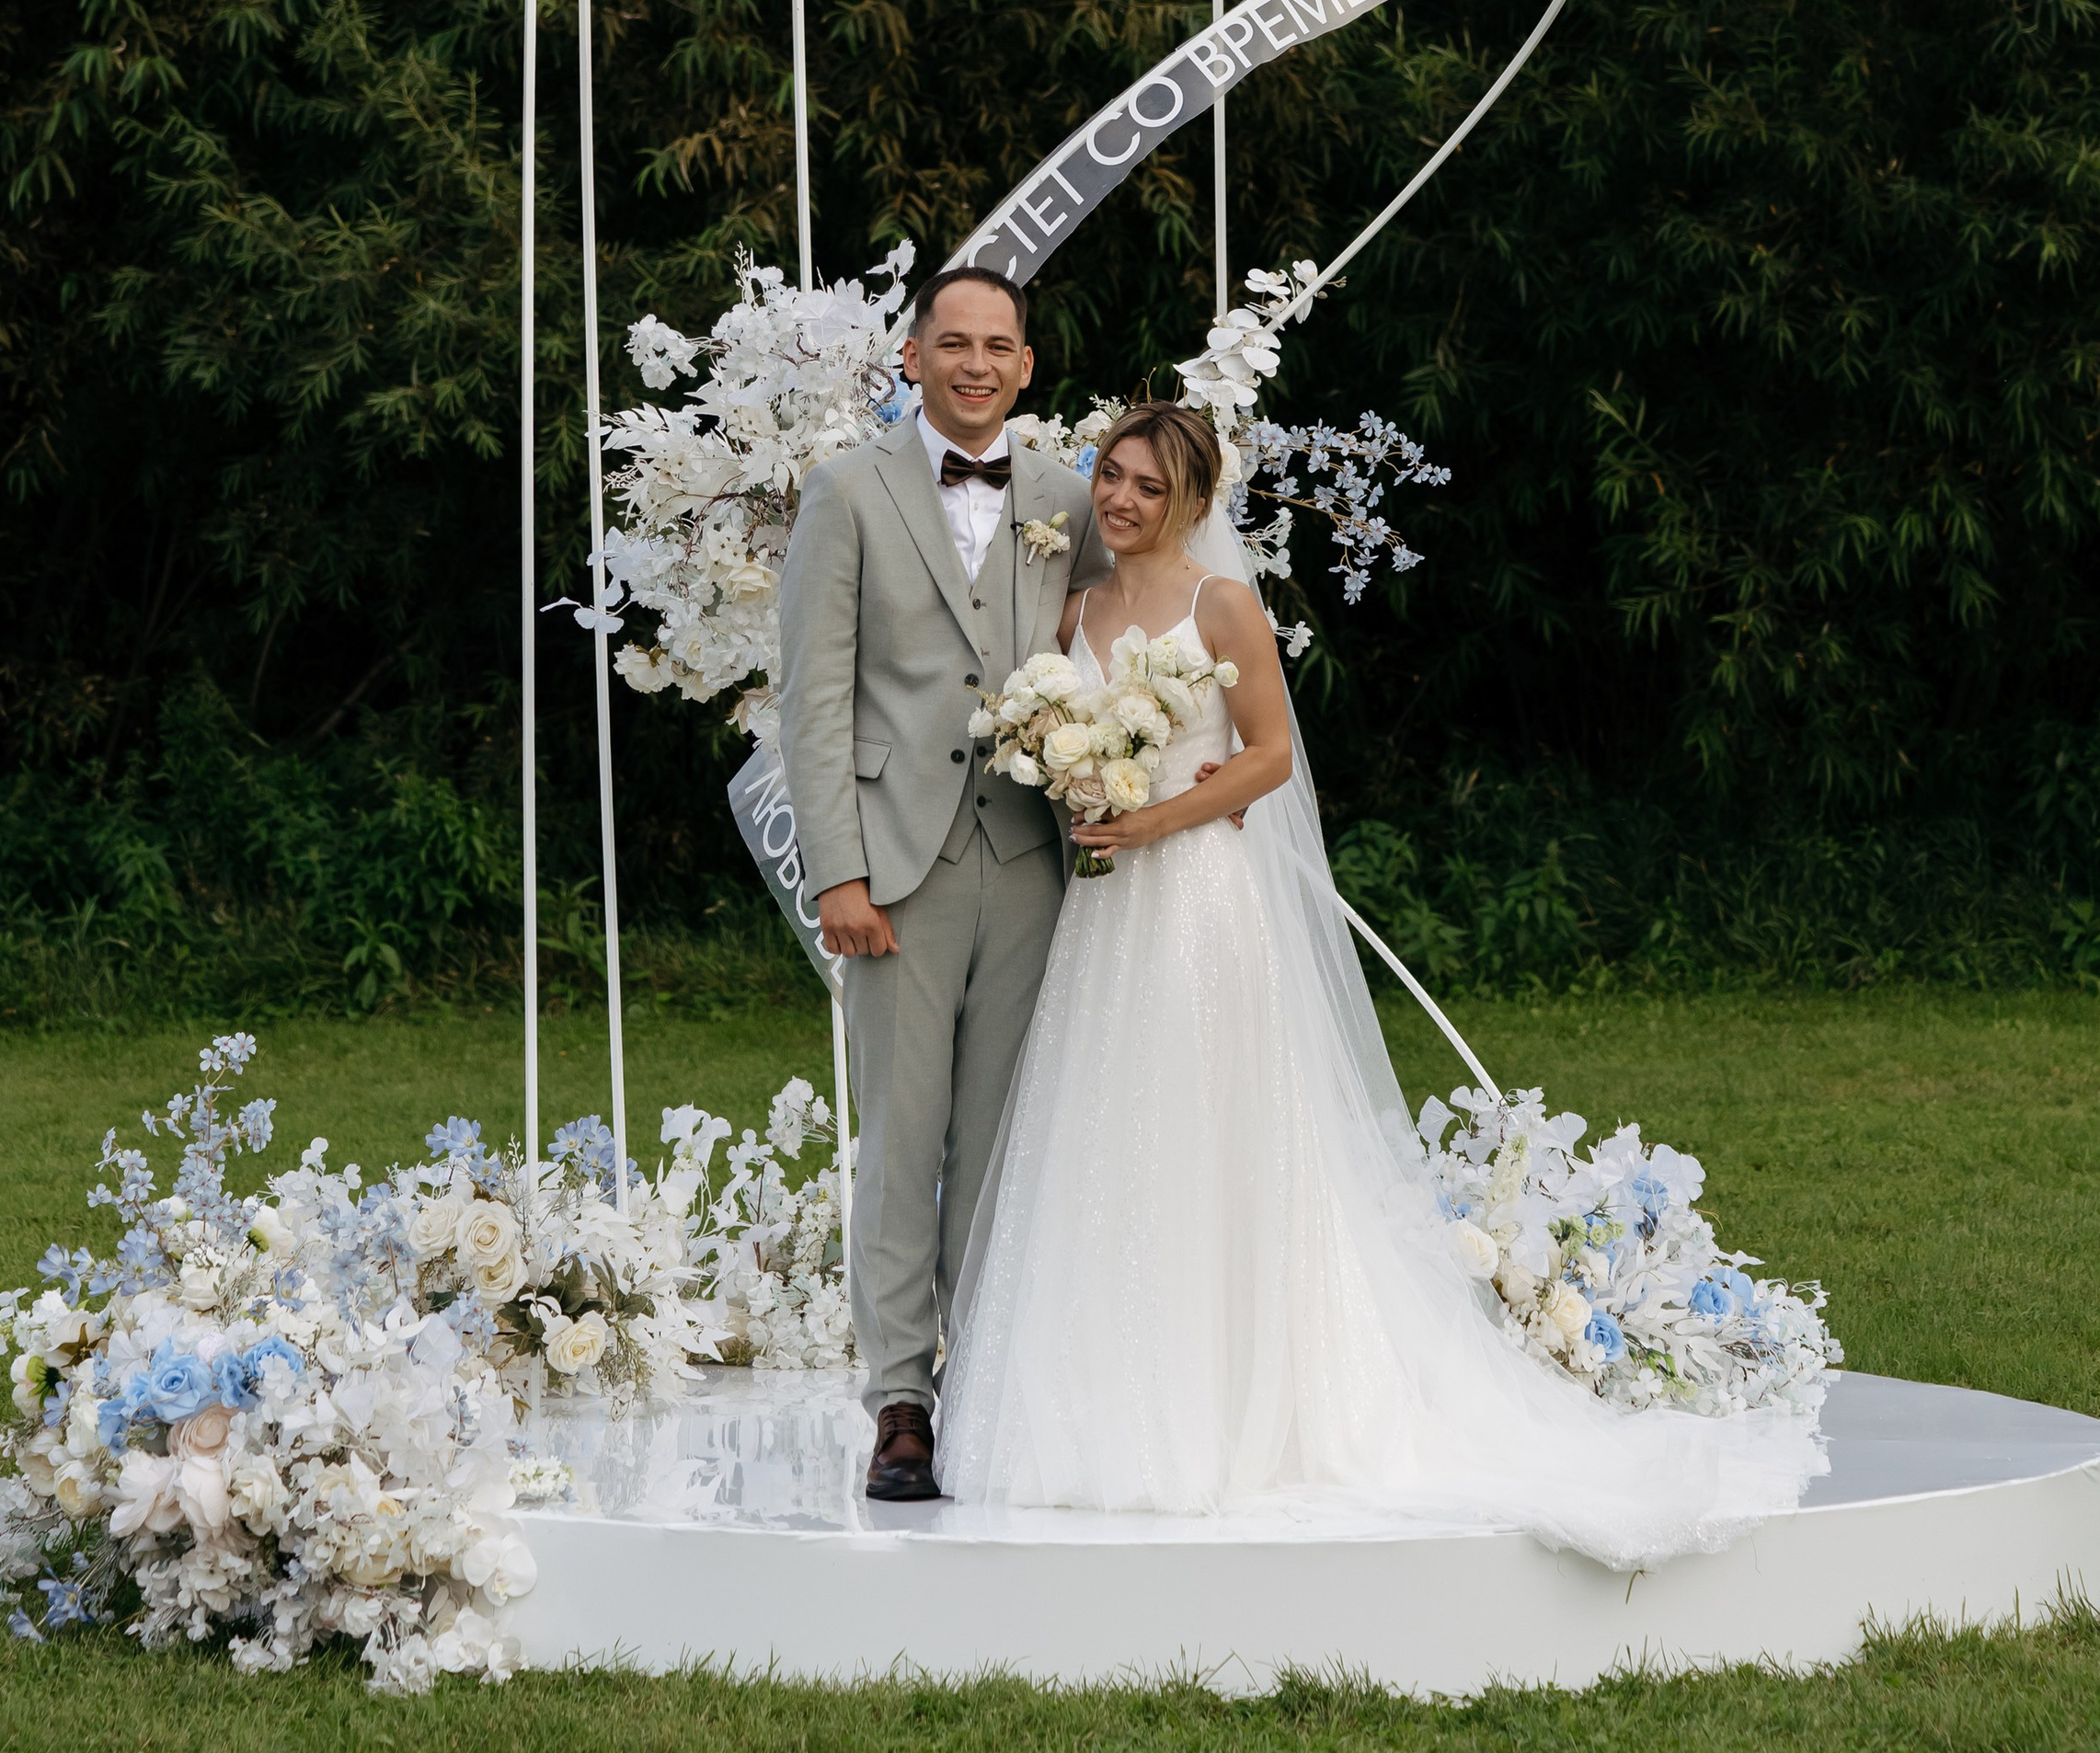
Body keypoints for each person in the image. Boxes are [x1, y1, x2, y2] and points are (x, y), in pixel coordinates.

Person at [935, 399, 1828, 1559]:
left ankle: (1238, 1410)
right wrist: (1084, 787)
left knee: (1213, 1130)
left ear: (1194, 503)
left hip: (1200, 900)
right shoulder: (1077, 609)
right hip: (1106, 914)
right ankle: (1102, 1404)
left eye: (1149, 486)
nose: (1120, 499)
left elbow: (1268, 755)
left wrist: (1153, 817)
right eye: (1111, 475)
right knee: (1110, 1129)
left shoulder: (1222, 604)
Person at [777, 264, 1106, 1503]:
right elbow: (814, 696)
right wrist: (838, 871)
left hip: (1029, 858)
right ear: (911, 357)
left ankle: (989, 1386)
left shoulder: (1068, 497)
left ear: (1026, 366)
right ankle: (900, 1403)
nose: (976, 364)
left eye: (997, 345)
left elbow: (1114, 655)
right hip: (895, 863)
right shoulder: (846, 491)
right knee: (901, 1138)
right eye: (953, 343)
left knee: (1003, 1144)